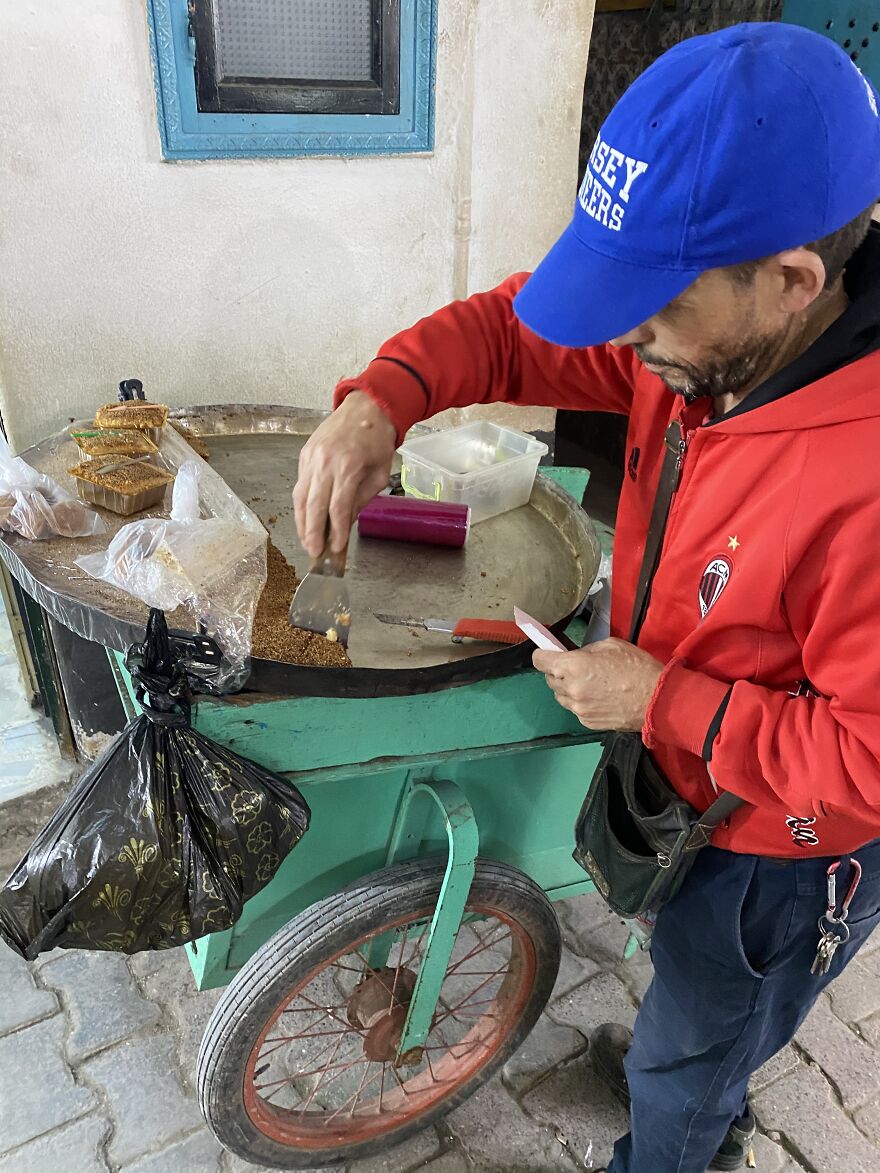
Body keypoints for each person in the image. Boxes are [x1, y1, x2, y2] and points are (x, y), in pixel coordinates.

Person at [294, 22, 880, 1173]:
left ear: (792, 281)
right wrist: (384, 398)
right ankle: (696, 1060)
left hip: (783, 848)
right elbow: (519, 328)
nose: (623, 338)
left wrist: (668, 700)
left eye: (651, 309)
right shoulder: (725, 338)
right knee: (691, 995)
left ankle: (676, 1135)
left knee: (698, 1036)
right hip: (687, 776)